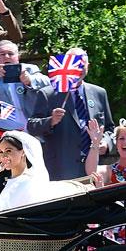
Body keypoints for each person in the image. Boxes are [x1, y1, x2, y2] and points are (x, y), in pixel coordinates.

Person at [25, 47, 114, 180]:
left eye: (82, 64)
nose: (80, 68)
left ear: (88, 66)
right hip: (61, 170)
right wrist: (51, 121)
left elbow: (109, 128)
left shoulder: (99, 93)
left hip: (92, 167)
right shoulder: (48, 94)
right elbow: (31, 126)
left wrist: (106, 143)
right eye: (76, 64)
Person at [0, 130, 81, 211]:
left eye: (8, 151)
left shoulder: (26, 182)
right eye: (1, 152)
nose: (4, 156)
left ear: (23, 152)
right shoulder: (15, 180)